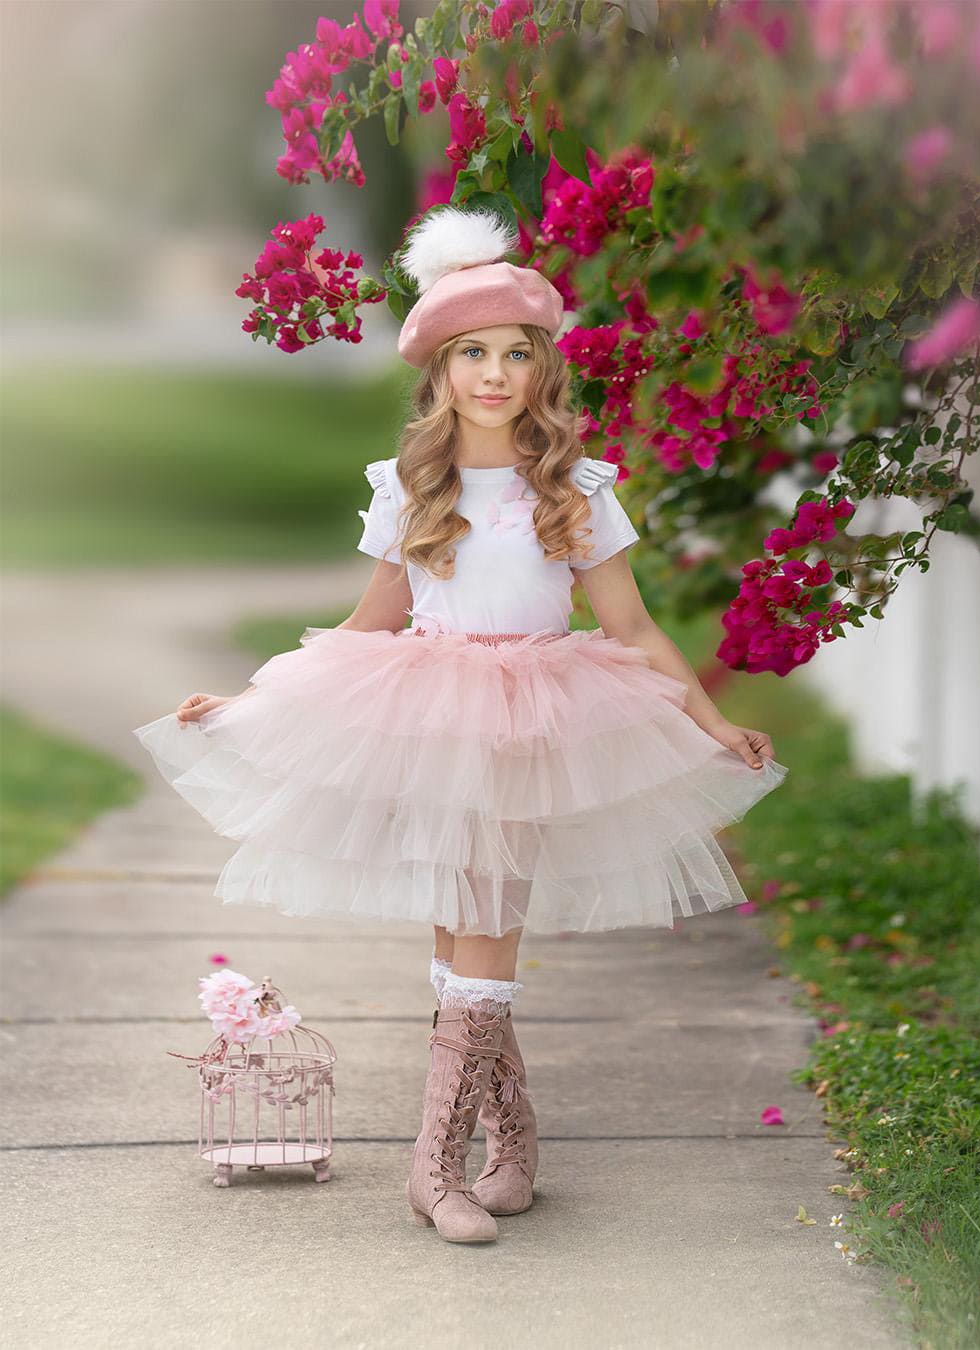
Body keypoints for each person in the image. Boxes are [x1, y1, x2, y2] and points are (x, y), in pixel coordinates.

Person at [132, 205, 789, 1244]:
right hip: (437, 723)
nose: (494, 373)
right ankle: (507, 1146)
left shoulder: (575, 488)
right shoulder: (410, 490)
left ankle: (433, 1169)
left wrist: (710, 723)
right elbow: (369, 623)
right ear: (439, 370)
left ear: (542, 369)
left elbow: (632, 626)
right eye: (472, 353)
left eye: (516, 353)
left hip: (534, 723)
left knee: (483, 934)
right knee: (461, 942)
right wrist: (252, 703)